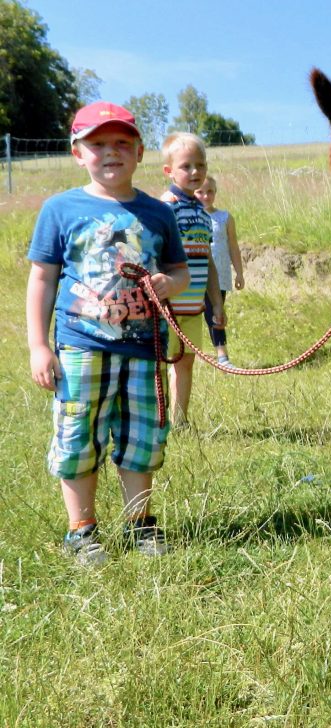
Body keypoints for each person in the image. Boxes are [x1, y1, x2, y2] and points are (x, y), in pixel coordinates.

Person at [26, 101, 190, 565]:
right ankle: (82, 528)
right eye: (98, 144)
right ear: (78, 152)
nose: (110, 152)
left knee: (143, 437)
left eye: (122, 143)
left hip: (144, 348)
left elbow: (180, 272)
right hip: (81, 346)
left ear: (139, 152)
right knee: (79, 434)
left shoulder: (158, 213)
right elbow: (42, 278)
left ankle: (140, 524)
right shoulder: (60, 209)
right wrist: (40, 346)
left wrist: (168, 283)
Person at [159, 132, 224, 426]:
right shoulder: (165, 208)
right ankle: (157, 416)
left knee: (186, 362)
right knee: (159, 363)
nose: (195, 171)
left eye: (201, 165)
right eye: (186, 166)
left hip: (193, 308)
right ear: (169, 171)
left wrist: (216, 304)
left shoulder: (202, 212)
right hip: (166, 307)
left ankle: (180, 420)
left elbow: (208, 261)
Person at [195, 176, 244, 367]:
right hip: (196, 273)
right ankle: (192, 350)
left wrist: (239, 272)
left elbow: (233, 246)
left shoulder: (224, 218)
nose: (205, 196)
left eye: (210, 192)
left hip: (219, 275)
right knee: (192, 314)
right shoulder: (189, 216)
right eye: (200, 192)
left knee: (216, 312)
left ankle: (222, 355)